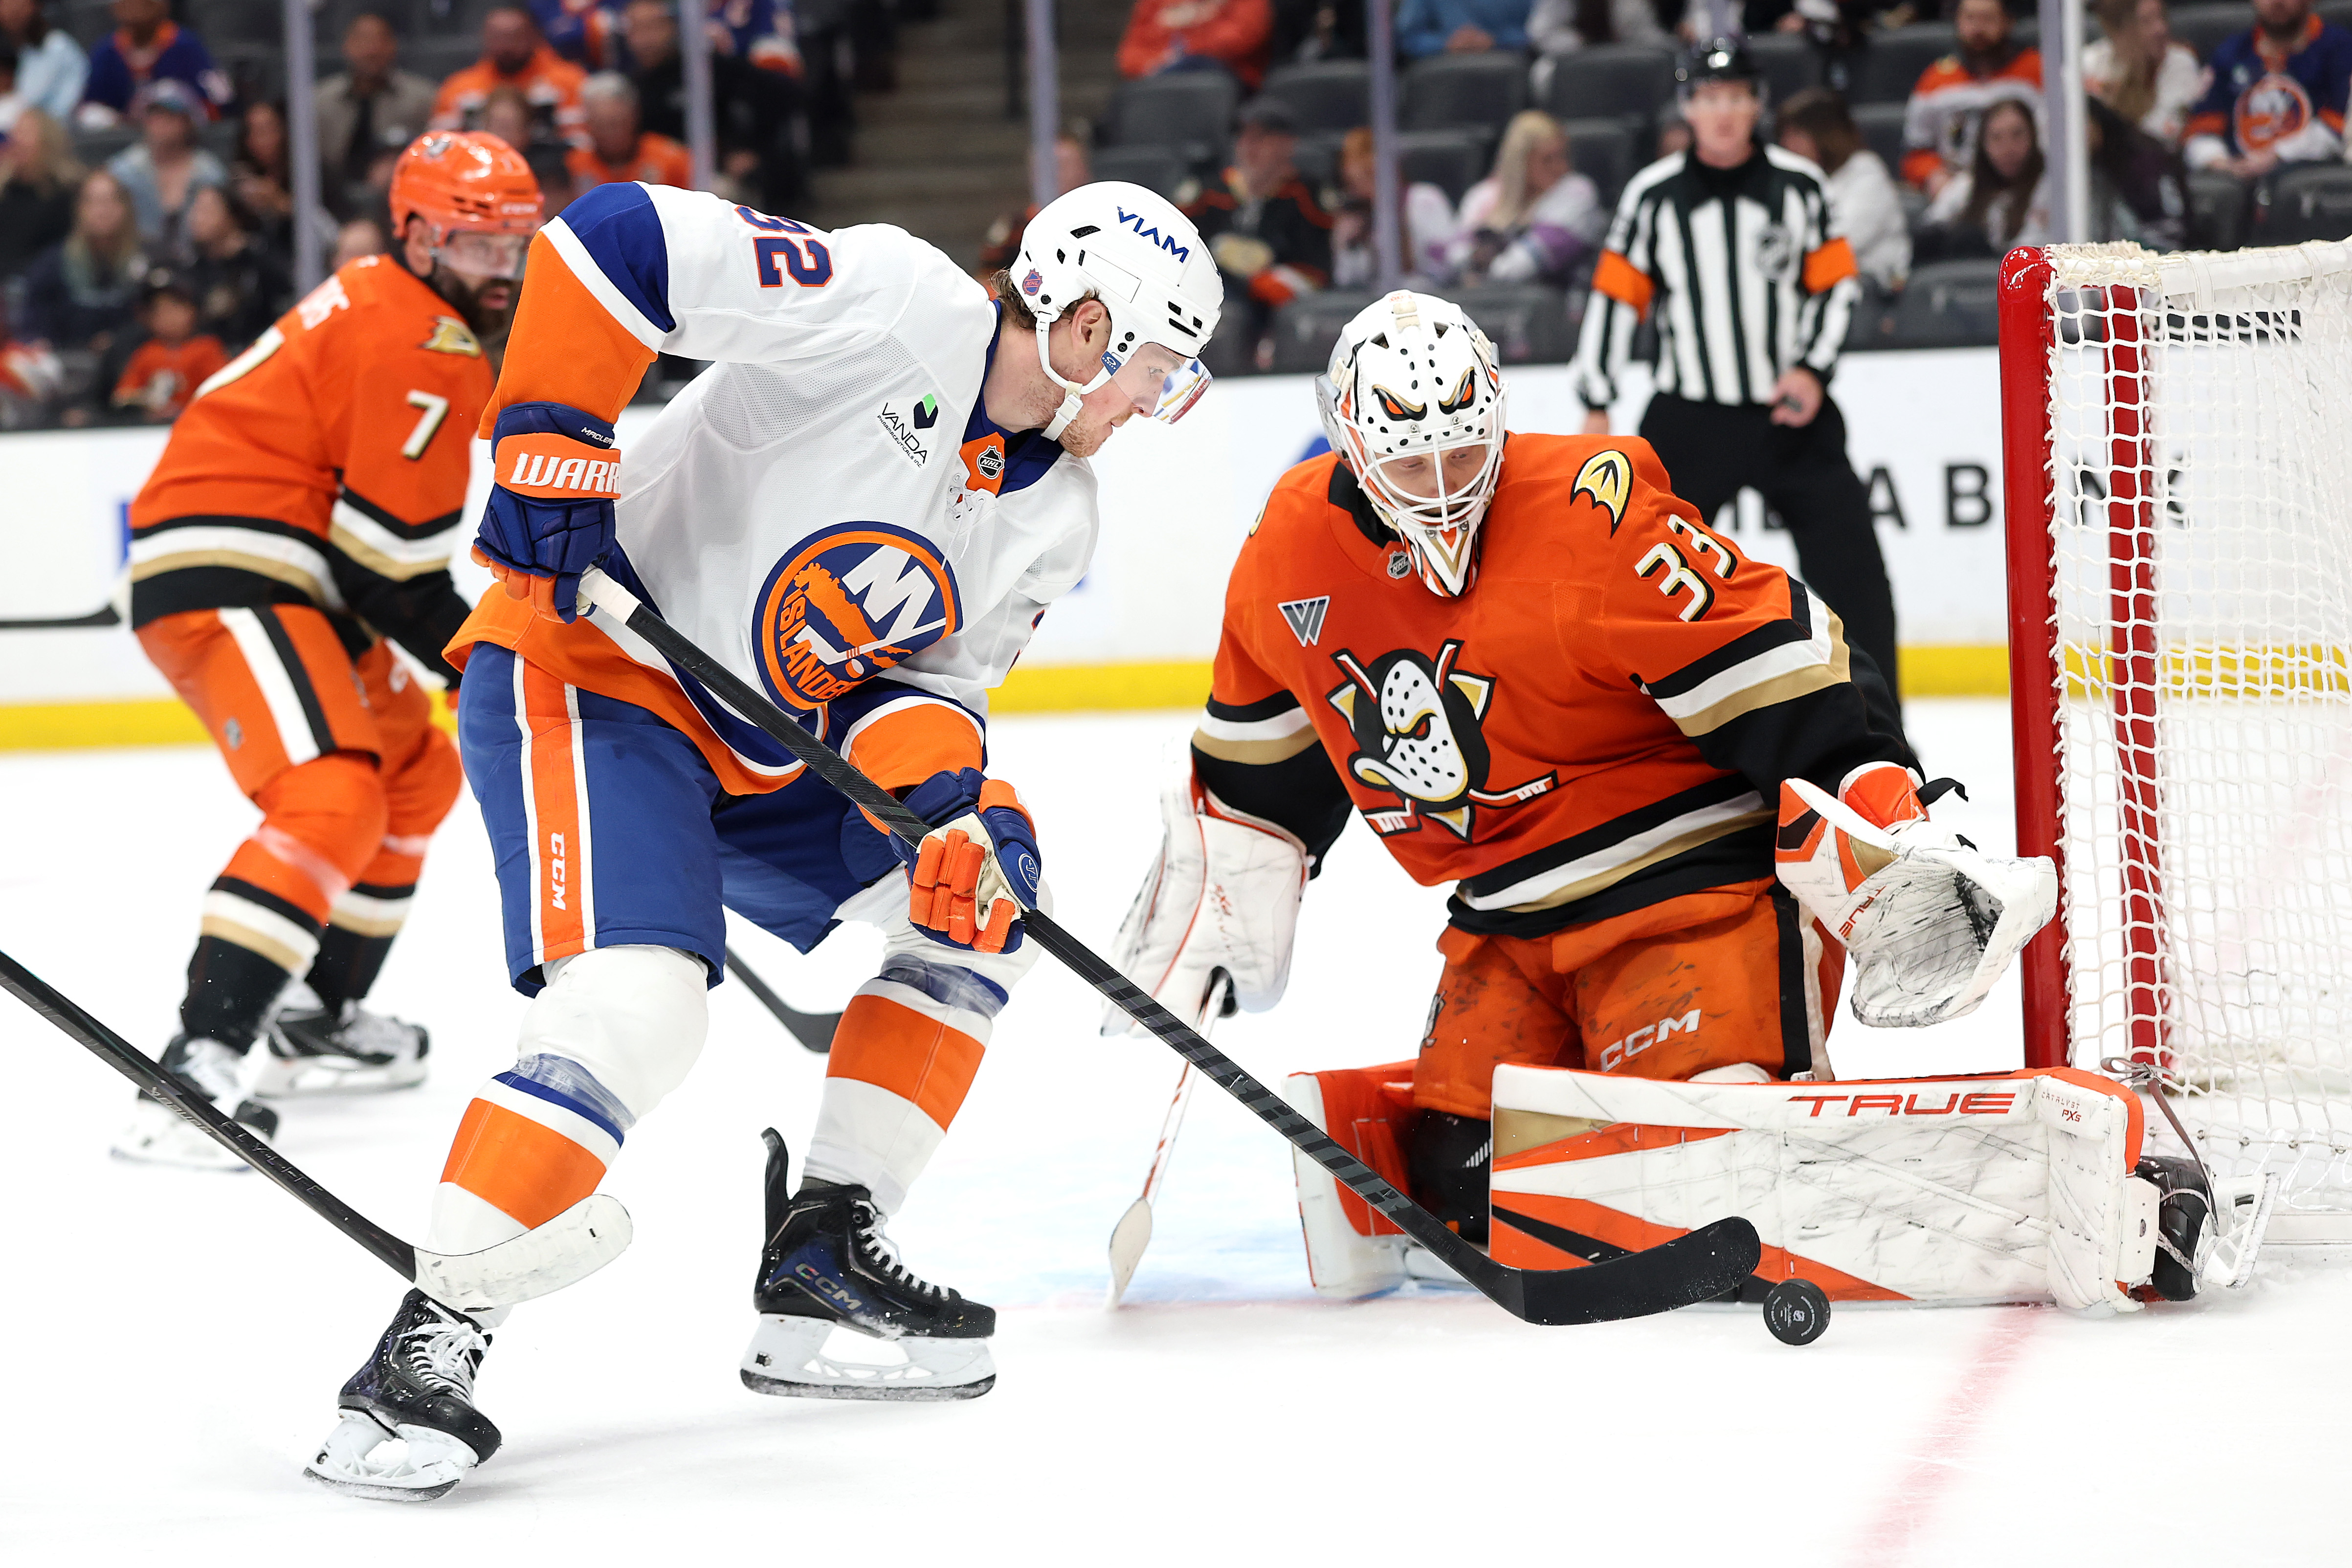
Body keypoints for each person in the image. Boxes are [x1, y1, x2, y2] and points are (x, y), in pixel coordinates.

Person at [298, 177, 1223, 1500]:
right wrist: (553, 436)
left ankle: (823, 1254)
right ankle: (424, 1350)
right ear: (1081, 326)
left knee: (984, 900)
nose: (1148, 403)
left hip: (767, 736)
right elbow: (612, 239)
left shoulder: (1056, 511)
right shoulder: (896, 305)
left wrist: (948, 812)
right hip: (596, 670)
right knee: (638, 1007)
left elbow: (923, 687)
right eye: (1147, 368)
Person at [1103, 287, 2039, 1290]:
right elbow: (1259, 768)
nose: (1440, 489)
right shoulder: (1287, 549)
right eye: (1408, 463)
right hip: (1505, 921)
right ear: (1345, 442)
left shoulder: (1590, 508)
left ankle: (1913, 1174)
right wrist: (1222, 885)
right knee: (1462, 1188)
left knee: (1702, 1161)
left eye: (1462, 453)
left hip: (1691, 891)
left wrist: (1880, 794)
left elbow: (1776, 654)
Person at [110, 134, 542, 1166]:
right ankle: (194, 1069)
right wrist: (494, 662)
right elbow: (385, 571)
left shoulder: (399, 307)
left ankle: (315, 1013)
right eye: (481, 245)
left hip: (291, 574)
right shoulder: (420, 340)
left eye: (515, 244)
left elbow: (369, 565)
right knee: (332, 796)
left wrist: (479, 656)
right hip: (237, 572)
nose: (504, 269)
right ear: (421, 234)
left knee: (416, 773)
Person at [1574, 40, 1903, 718]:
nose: (1722, 113)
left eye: (1735, 98)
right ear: (1688, 108)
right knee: (1642, 578)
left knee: (1855, 576)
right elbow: (1613, 300)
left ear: (1756, 104)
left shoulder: (1800, 185)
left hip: (1789, 413)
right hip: (1688, 417)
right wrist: (1596, 403)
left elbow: (1836, 285)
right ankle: (1642, 731)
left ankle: (1881, 731)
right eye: (1708, 99)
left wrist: (1812, 369)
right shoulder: (1653, 195)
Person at [622, 0, 805, 212]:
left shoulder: (707, 71)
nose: (645, 40)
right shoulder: (631, 84)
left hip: (711, 179)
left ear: (674, 27)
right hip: (656, 180)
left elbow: (784, 95)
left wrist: (747, 147)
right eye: (636, 29)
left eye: (653, 27)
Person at [1183, 98, 1332, 353]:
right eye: (1243, 137)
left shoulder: (1307, 196)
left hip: (1279, 314)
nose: (1249, 147)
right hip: (1216, 307)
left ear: (1288, 145)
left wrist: (1273, 282)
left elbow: (1318, 271)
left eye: (1261, 138)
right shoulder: (1208, 195)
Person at [2183, 0, 2352, 178]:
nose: (2276, 2)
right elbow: (2200, 131)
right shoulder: (2230, 54)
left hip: (2311, 178)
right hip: (2239, 180)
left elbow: (2340, 127)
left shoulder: (2339, 48)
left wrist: (2280, 155)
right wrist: (2221, 163)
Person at [1447, 109, 1603, 286]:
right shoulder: (1481, 196)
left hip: (1555, 303)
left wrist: (1481, 261)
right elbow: (1454, 256)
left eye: (1563, 155)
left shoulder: (1577, 191)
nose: (1560, 167)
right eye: (1547, 159)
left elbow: (1518, 267)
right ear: (1520, 161)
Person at [1900, 0, 2041, 193]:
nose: (1978, 28)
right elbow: (1916, 152)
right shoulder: (1936, 79)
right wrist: (1933, 175)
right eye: (1970, 18)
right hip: (1959, 188)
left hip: (2027, 185)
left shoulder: (2037, 70)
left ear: (2008, 22)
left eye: (1988, 19)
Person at [1776, 87, 1909, 290]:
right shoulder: (1795, 181)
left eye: (1797, 134)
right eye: (1785, 135)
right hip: (1817, 286)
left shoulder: (1866, 173)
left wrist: (1784, 278)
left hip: (1874, 293)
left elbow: (1840, 249)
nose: (1787, 144)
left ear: (1827, 136)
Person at [315, 11, 439, 218]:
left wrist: (402, 166)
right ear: (347, 46)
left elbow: (438, 156)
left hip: (402, 204)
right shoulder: (319, 102)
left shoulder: (424, 99)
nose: (371, 50)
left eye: (380, 41)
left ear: (394, 46)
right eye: (363, 40)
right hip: (329, 203)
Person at [18, 167, 146, 352]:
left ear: (125, 208)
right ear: (80, 209)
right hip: (66, 359)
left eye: (110, 201)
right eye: (93, 202)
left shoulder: (146, 261)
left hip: (129, 360)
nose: (102, 211)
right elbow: (34, 320)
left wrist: (120, 340)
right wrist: (38, 341)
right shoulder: (52, 263)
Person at [433, 6, 590, 147]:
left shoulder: (569, 80)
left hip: (551, 173)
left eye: (515, 37)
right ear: (485, 38)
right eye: (498, 37)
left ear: (534, 36)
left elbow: (583, 145)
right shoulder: (459, 88)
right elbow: (442, 146)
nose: (506, 46)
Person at [1916, 95, 2051, 253]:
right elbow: (1930, 227)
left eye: (2017, 135)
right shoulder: (1966, 185)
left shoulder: (2048, 189)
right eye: (1996, 138)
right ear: (1983, 144)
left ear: (2033, 137)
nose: (2008, 148)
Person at [106, 80, 225, 257]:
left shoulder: (210, 173)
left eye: (170, 116)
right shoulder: (122, 171)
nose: (160, 123)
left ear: (188, 122)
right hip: (135, 264)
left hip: (199, 263)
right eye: (154, 115)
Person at [1329, 124, 1457, 286]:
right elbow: (1347, 281)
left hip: (1425, 292)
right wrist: (1350, 245)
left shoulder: (1423, 199)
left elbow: (1446, 266)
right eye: (1352, 183)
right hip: (1375, 298)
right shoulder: (1354, 215)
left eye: (1370, 176)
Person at [77, 0, 231, 126]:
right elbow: (91, 104)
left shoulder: (186, 45)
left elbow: (220, 98)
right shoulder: (106, 51)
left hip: (182, 133)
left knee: (167, 91)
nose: (134, 7)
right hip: (125, 134)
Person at [183, 183, 291, 349]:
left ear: (233, 215)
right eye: (195, 210)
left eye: (206, 211)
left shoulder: (262, 260)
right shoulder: (193, 270)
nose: (197, 218)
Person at [108, 268, 225, 420]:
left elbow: (223, 392)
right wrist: (148, 398)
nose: (169, 317)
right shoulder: (148, 352)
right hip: (152, 428)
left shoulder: (207, 348)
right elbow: (122, 397)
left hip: (198, 423)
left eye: (175, 307)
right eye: (159, 310)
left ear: (193, 311)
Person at [2085, 0, 2204, 148]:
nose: (2161, 29)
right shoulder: (2089, 62)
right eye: (2146, 22)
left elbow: (2163, 137)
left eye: (2162, 18)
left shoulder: (2180, 62)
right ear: (2118, 31)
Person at [976, 132, 1090, 274]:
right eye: (1048, 167)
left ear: (1084, 170)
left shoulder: (1105, 220)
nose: (1055, 174)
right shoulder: (1013, 231)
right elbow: (989, 282)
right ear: (1033, 173)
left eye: (1065, 165)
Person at [566, 70, 691, 190]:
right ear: (587, 125)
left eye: (616, 123)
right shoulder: (573, 167)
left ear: (634, 116)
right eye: (600, 125)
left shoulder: (672, 159)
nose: (610, 133)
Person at [1119, 0, 1276, 90]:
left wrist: (1197, 21)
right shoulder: (1154, 3)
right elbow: (1128, 58)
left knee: (1198, 66)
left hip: (1228, 81)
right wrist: (1158, 64)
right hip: (1161, 80)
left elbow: (1243, 39)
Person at [0, 106, 79, 281]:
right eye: (15, 133)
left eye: (25, 133)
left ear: (48, 141)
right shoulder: (5, 193)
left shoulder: (69, 196)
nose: (17, 140)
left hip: (46, 288)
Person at [1, 0, 85, 123]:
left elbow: (32, 101)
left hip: (60, 130)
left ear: (37, 7)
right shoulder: (25, 51)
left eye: (19, 8)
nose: (11, 14)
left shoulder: (58, 46)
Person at [1528, 0, 1687, 53]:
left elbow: (1648, 36)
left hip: (1624, 57)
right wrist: (1582, 43)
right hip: (1573, 58)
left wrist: (1674, 45)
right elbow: (1540, 33)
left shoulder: (1630, 5)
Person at [1396, 0, 1535, 58]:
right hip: (1441, 62)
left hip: (1506, 58)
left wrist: (1495, 41)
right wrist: (1445, 44)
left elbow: (1535, 32)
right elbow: (1408, 37)